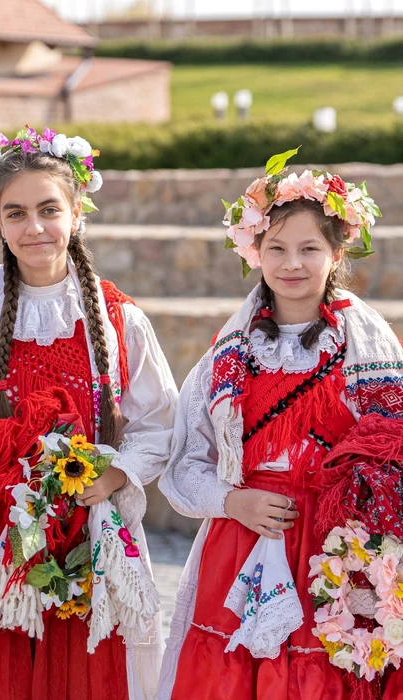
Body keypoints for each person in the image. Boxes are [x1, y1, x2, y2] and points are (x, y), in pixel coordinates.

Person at [0, 126, 177, 700]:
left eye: (49, 209)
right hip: (1, 540)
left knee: (93, 673)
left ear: (77, 213)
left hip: (94, 534)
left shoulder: (120, 322)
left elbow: (161, 422)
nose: (34, 227)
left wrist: (117, 473)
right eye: (15, 212)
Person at [157, 149, 403, 699]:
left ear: (337, 251)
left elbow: (392, 446)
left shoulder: (367, 344)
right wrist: (233, 501)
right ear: (255, 253)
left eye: (310, 248)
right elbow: (186, 464)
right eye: (277, 249)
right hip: (242, 538)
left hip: (334, 547)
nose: (293, 263)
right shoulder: (228, 355)